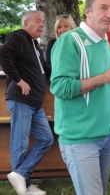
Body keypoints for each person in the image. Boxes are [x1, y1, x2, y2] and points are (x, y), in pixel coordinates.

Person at [50, 0, 110, 195]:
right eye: (103, 8)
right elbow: (60, 86)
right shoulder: (69, 41)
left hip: (107, 135)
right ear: (88, 11)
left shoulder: (104, 42)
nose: (109, 14)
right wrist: (105, 78)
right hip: (81, 139)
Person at [0, 10, 53, 195]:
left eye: (43, 22)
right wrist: (18, 80)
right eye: (38, 21)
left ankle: (21, 175)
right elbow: (3, 52)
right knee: (20, 144)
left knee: (46, 138)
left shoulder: (33, 43)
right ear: (26, 23)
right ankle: (25, 187)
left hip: (34, 103)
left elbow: (45, 68)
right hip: (22, 100)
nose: (42, 25)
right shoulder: (20, 37)